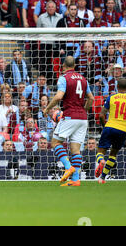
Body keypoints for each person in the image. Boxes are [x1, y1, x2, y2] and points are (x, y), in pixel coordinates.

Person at [43, 56, 95, 187]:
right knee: (75, 149)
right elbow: (91, 98)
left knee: (55, 142)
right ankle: (76, 179)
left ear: (63, 66)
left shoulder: (63, 78)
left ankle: (68, 166)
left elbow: (59, 96)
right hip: (82, 118)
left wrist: (47, 108)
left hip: (70, 115)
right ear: (75, 65)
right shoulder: (83, 79)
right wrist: (84, 110)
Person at [95, 78, 126, 184]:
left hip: (110, 127)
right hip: (122, 130)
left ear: (117, 87)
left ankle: (101, 161)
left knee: (100, 151)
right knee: (113, 154)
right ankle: (102, 178)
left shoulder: (111, 97)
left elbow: (101, 115)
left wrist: (105, 127)